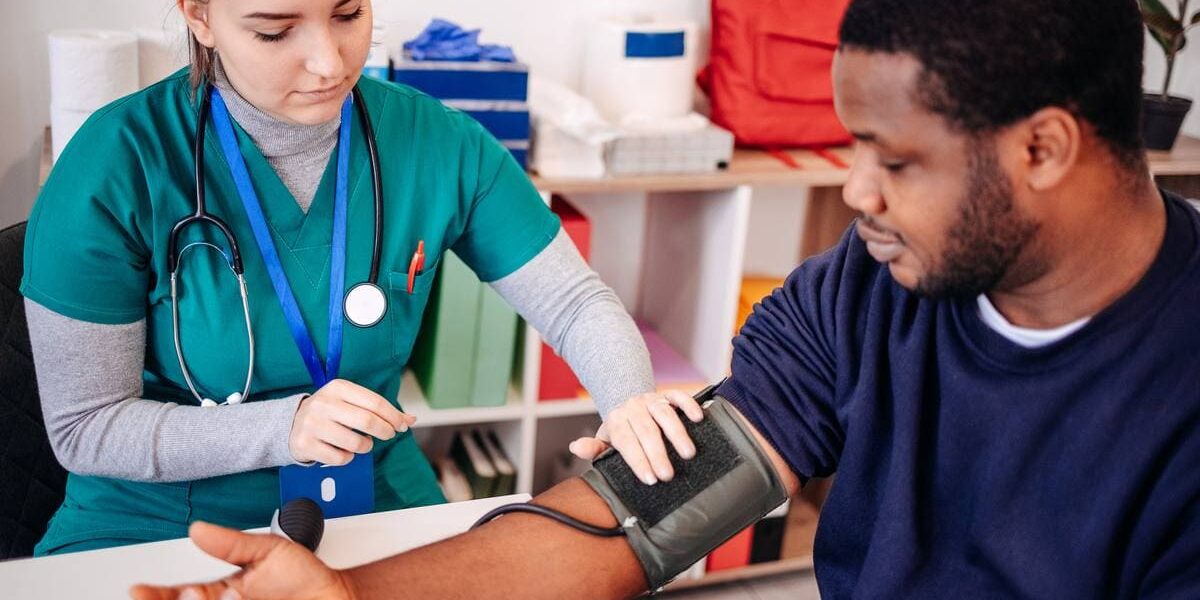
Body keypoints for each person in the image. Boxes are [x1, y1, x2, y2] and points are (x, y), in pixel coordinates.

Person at [131, 0, 1200, 597]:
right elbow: (632, 524)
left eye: (896, 159)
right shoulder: (860, 300)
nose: (853, 191)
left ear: (1044, 148)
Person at [22, 0, 703, 556]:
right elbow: (88, 427)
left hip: (367, 487)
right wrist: (285, 427)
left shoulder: (434, 140)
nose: (328, 62)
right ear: (200, 17)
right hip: (158, 513)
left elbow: (575, 301)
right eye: (275, 29)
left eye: (348, 14)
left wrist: (628, 399)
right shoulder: (116, 163)